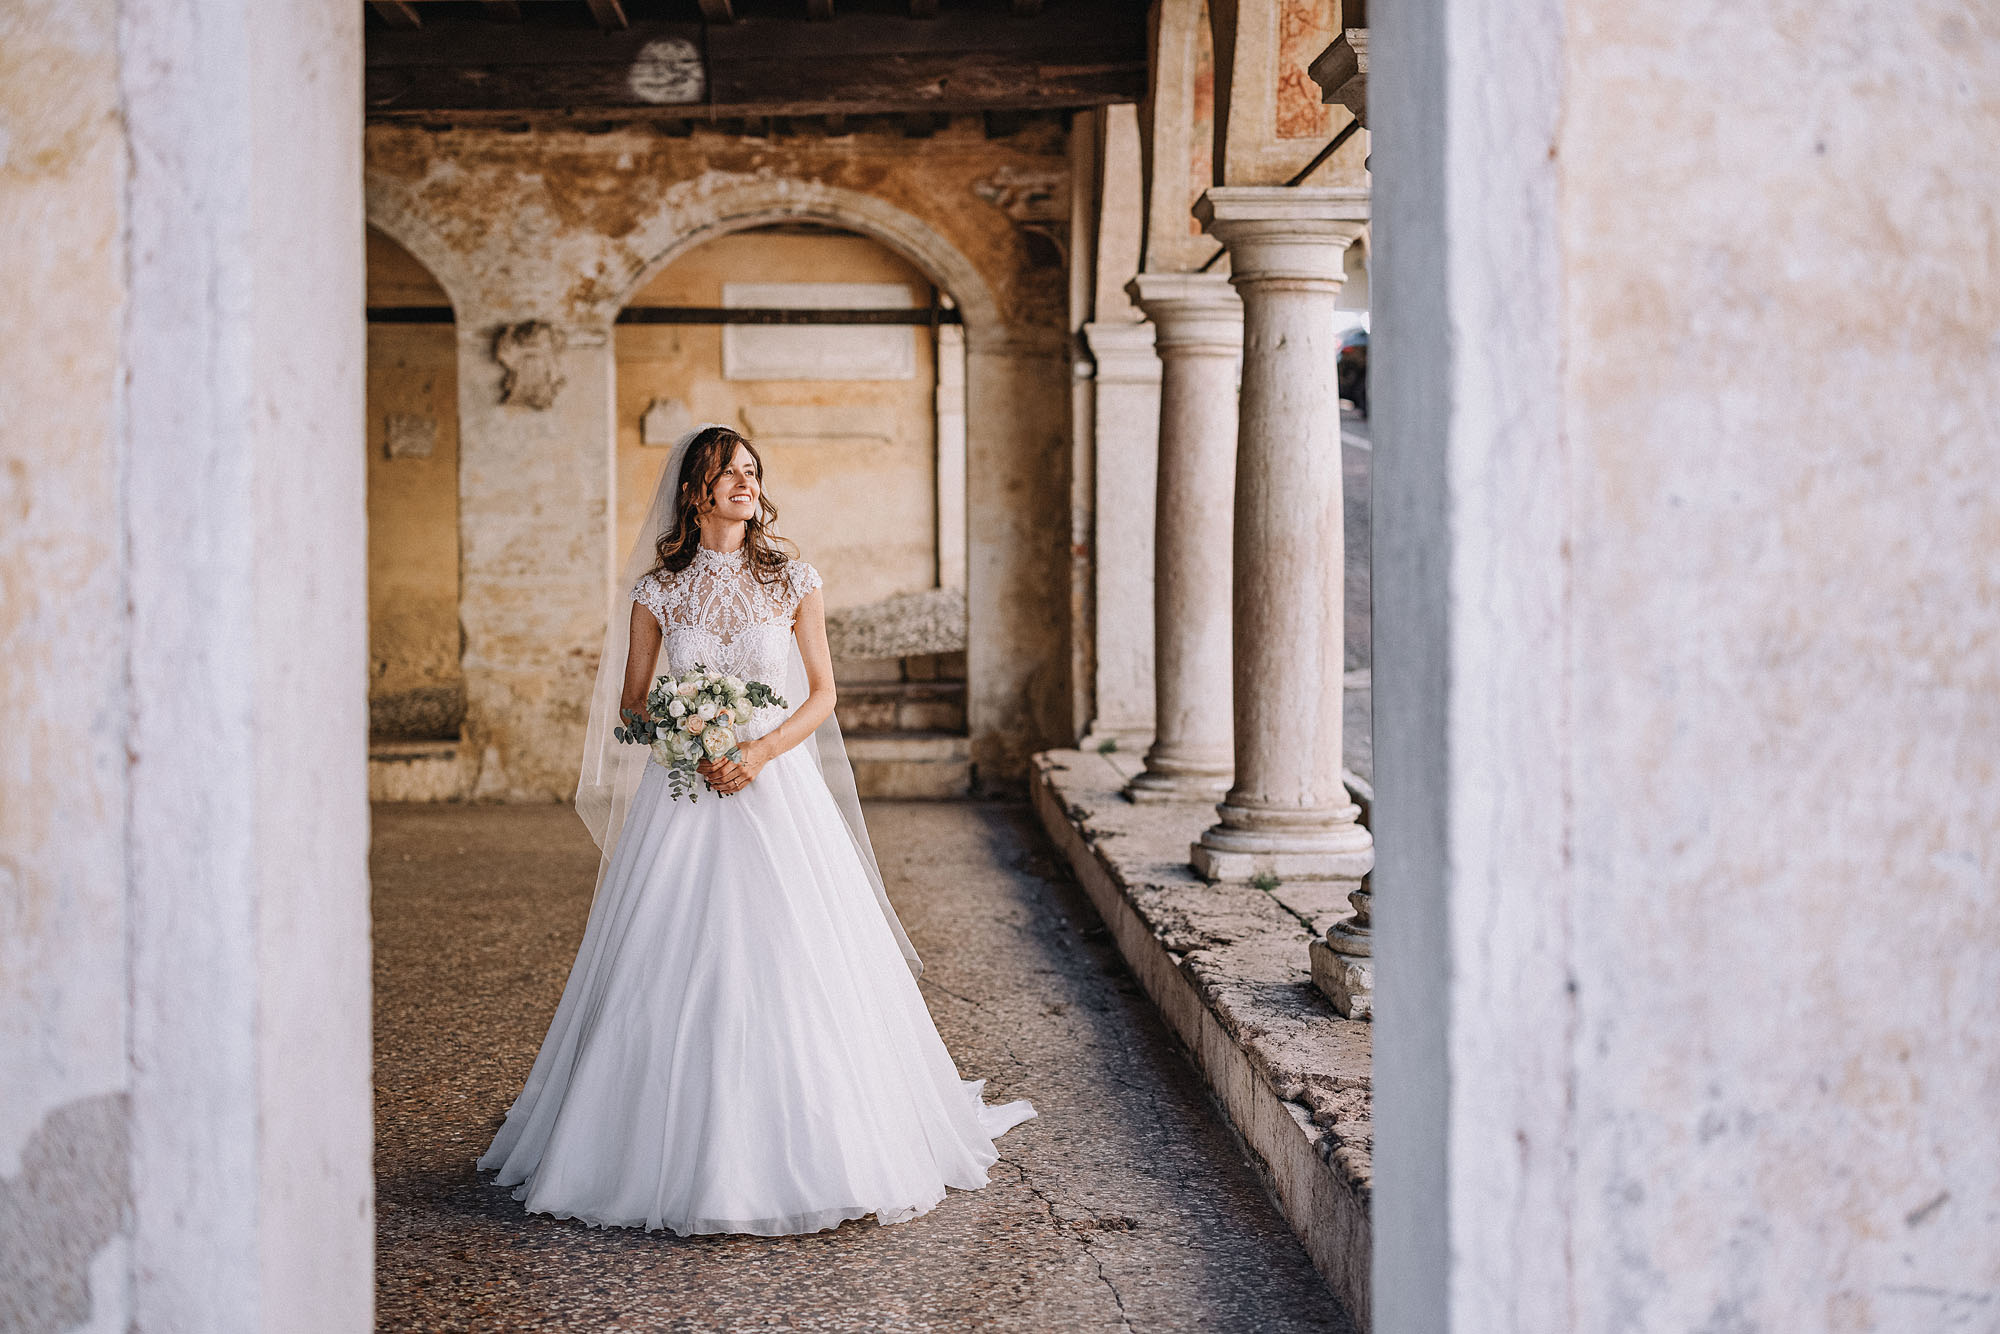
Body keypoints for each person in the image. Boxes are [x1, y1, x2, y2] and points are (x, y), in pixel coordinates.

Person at [477, 424, 1034, 1235]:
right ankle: (640, 1148)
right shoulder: (657, 593)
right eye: (728, 472)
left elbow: (822, 694)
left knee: (800, 956)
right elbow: (632, 706)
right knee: (670, 960)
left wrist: (760, 750)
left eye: (752, 471)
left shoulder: (793, 579)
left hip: (780, 791)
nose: (746, 482)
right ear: (696, 491)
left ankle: (821, 1142)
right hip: (689, 798)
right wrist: (692, 735)